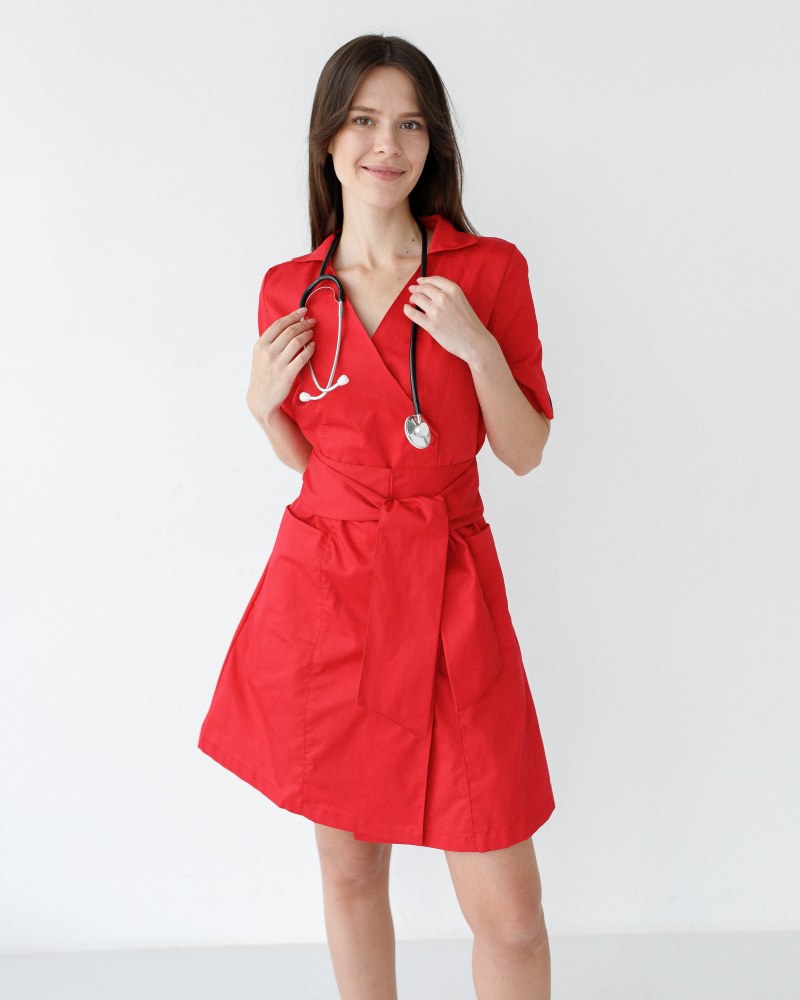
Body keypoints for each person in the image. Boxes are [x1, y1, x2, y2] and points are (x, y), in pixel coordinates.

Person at [198, 33, 556, 1000]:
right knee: (351, 870)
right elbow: (315, 462)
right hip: (332, 595)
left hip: (450, 592)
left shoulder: (487, 271)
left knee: (512, 919)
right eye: (363, 120)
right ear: (328, 138)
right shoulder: (290, 289)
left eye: (410, 124)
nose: (386, 145)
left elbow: (525, 449)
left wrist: (478, 349)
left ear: (434, 144)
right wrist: (262, 408)